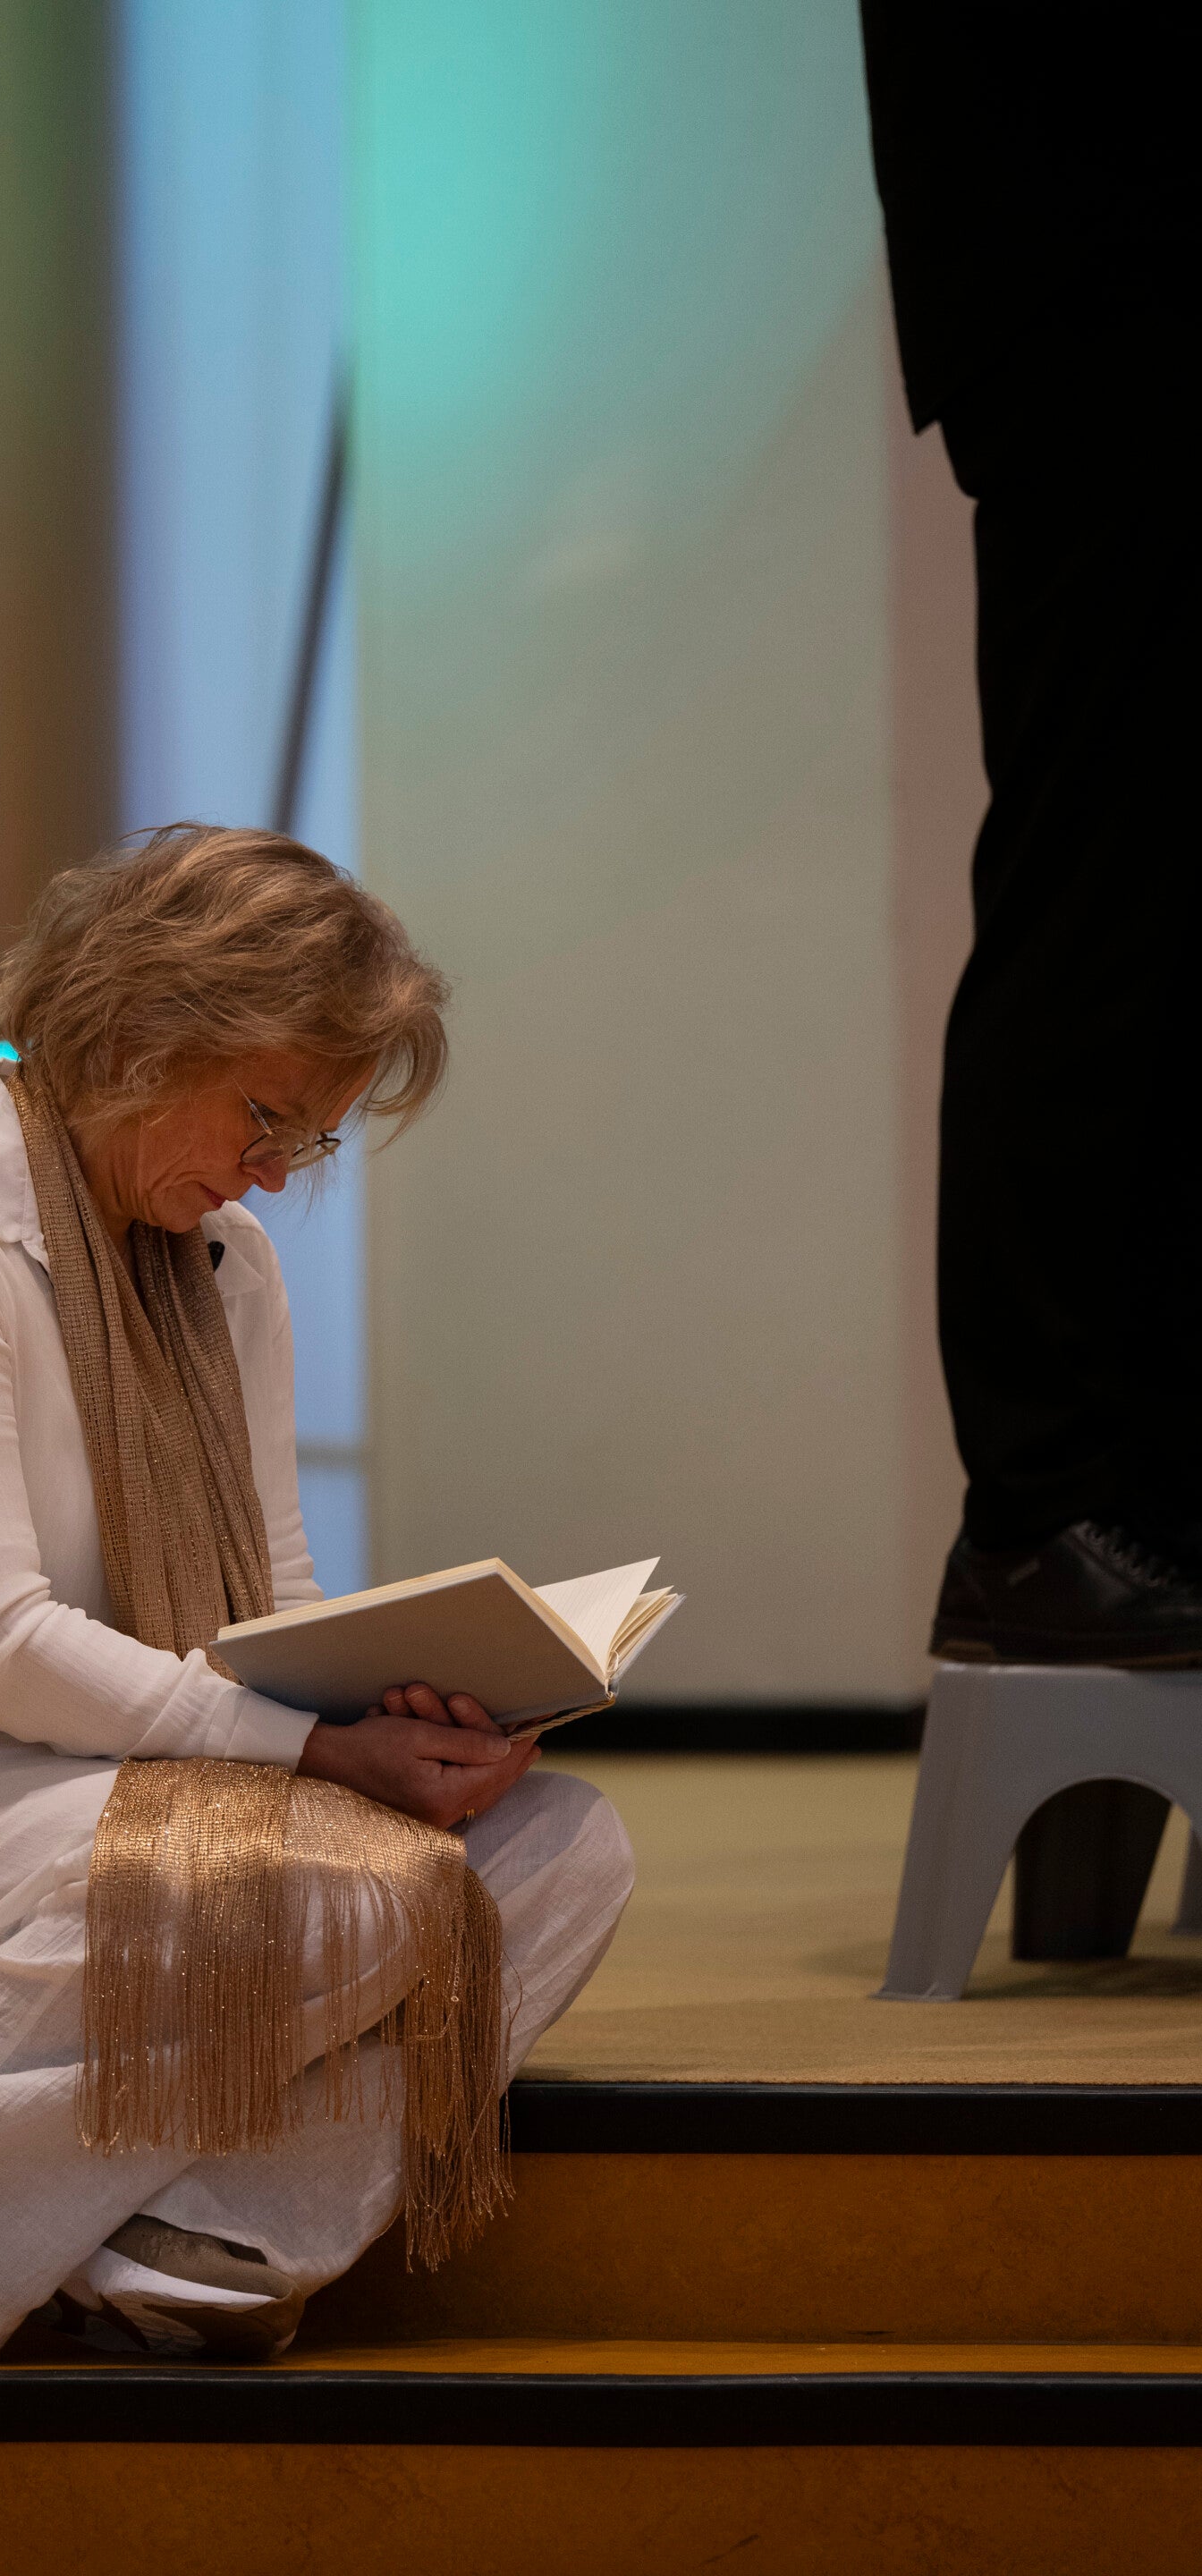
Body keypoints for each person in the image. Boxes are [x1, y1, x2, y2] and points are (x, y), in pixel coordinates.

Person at [0, 825, 634, 2365]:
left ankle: (211, 2231)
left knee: (565, 1850)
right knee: (334, 1881)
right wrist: (319, 1756)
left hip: (117, 1799)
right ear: (135, 1035)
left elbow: (276, 1605)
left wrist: (410, 1706)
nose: (276, 1171)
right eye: (266, 1114)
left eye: (309, 1139)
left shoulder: (224, 1262)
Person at [860, 4, 1202, 1667]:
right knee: (1101, 898)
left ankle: (1135, 1487)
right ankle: (1045, 1507)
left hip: (1110, 249)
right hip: (1109, 262)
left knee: (1153, 910)